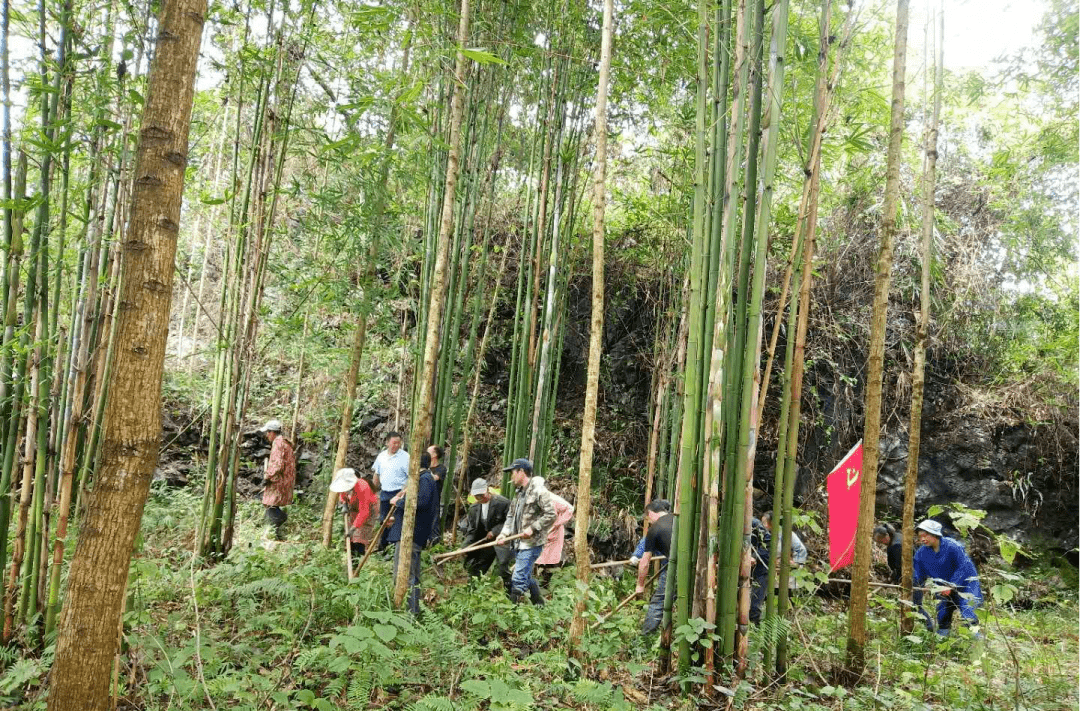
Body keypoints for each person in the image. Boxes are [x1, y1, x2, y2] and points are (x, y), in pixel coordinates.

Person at [495, 458, 556, 606]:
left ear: (521, 472)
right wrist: (504, 533)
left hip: (532, 543)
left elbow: (551, 514)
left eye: (513, 473)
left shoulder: (539, 491)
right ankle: (539, 605)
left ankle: (511, 615)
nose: (511, 477)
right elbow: (511, 515)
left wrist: (533, 527)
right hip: (518, 542)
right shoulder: (519, 493)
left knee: (518, 578)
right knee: (526, 576)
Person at [385, 455, 439, 615]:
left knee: (405, 576)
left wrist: (399, 502)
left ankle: (409, 614)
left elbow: (419, 503)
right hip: (412, 533)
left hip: (412, 535)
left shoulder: (424, 480)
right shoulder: (423, 480)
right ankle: (411, 612)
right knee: (410, 576)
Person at [913, 519, 983, 636]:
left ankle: (976, 645)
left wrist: (950, 585)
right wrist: (915, 591)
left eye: (925, 535)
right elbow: (918, 575)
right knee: (943, 614)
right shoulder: (921, 554)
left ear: (935, 534)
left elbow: (963, 567)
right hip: (943, 588)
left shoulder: (953, 546)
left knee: (968, 613)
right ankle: (942, 644)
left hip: (967, 585)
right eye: (920, 537)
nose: (922, 539)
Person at [461, 478, 512, 591]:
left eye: (482, 495)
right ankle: (472, 593)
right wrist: (465, 547)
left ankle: (511, 595)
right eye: (477, 496)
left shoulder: (503, 503)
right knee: (477, 567)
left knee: (503, 567)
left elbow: (510, 521)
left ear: (488, 491)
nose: (480, 498)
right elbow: (472, 531)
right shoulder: (474, 508)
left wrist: (495, 531)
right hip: (487, 542)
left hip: (503, 540)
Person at [635, 499, 672, 634]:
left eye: (647, 518)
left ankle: (646, 637)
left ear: (651, 513)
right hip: (697, 566)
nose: (649, 521)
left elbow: (645, 562)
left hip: (675, 569)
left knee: (658, 603)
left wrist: (640, 584)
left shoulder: (655, 529)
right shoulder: (680, 518)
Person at [373, 431, 409, 550]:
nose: (396, 445)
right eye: (394, 443)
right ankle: (383, 546)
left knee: (396, 520)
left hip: (399, 492)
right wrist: (373, 491)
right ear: (387, 443)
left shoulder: (405, 457)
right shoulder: (381, 456)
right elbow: (376, 474)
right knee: (384, 520)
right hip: (385, 492)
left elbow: (411, 478)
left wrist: (402, 493)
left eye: (398, 443)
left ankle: (394, 547)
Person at [260, 419, 295, 541]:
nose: (266, 435)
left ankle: (275, 528)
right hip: (285, 480)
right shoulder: (285, 443)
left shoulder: (278, 443)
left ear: (272, 432)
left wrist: (268, 477)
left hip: (278, 480)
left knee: (270, 504)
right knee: (271, 505)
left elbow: (277, 464)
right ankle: (274, 532)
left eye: (267, 432)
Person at [331, 468, 378, 559]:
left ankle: (358, 561)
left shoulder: (363, 487)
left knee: (359, 538)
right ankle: (351, 559)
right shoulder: (343, 484)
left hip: (367, 510)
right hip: (354, 508)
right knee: (351, 539)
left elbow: (364, 512)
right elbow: (342, 494)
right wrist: (344, 503)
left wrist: (353, 528)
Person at [761, 510, 808, 590]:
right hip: (771, 574)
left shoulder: (786, 534)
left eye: (765, 523)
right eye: (762, 523)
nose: (763, 526)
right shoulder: (763, 536)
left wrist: (795, 563)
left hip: (787, 574)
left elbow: (801, 550)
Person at [537, 485, 574, 579]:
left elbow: (569, 509)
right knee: (536, 558)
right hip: (540, 532)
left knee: (551, 559)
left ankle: (548, 582)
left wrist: (557, 523)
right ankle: (537, 581)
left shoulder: (553, 499)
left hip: (553, 532)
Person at [748, 516, 772, 623]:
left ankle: (755, 637)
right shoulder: (727, 520)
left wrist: (754, 556)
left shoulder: (754, 523)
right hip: (742, 571)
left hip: (760, 571)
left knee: (754, 606)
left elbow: (768, 542)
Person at [427, 445, 447, 545]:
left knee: (434, 523)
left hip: (434, 499)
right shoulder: (425, 466)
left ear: (435, 454)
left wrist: (424, 472)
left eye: (428, 451)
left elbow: (434, 478)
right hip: (423, 498)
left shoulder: (441, 468)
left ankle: (435, 545)